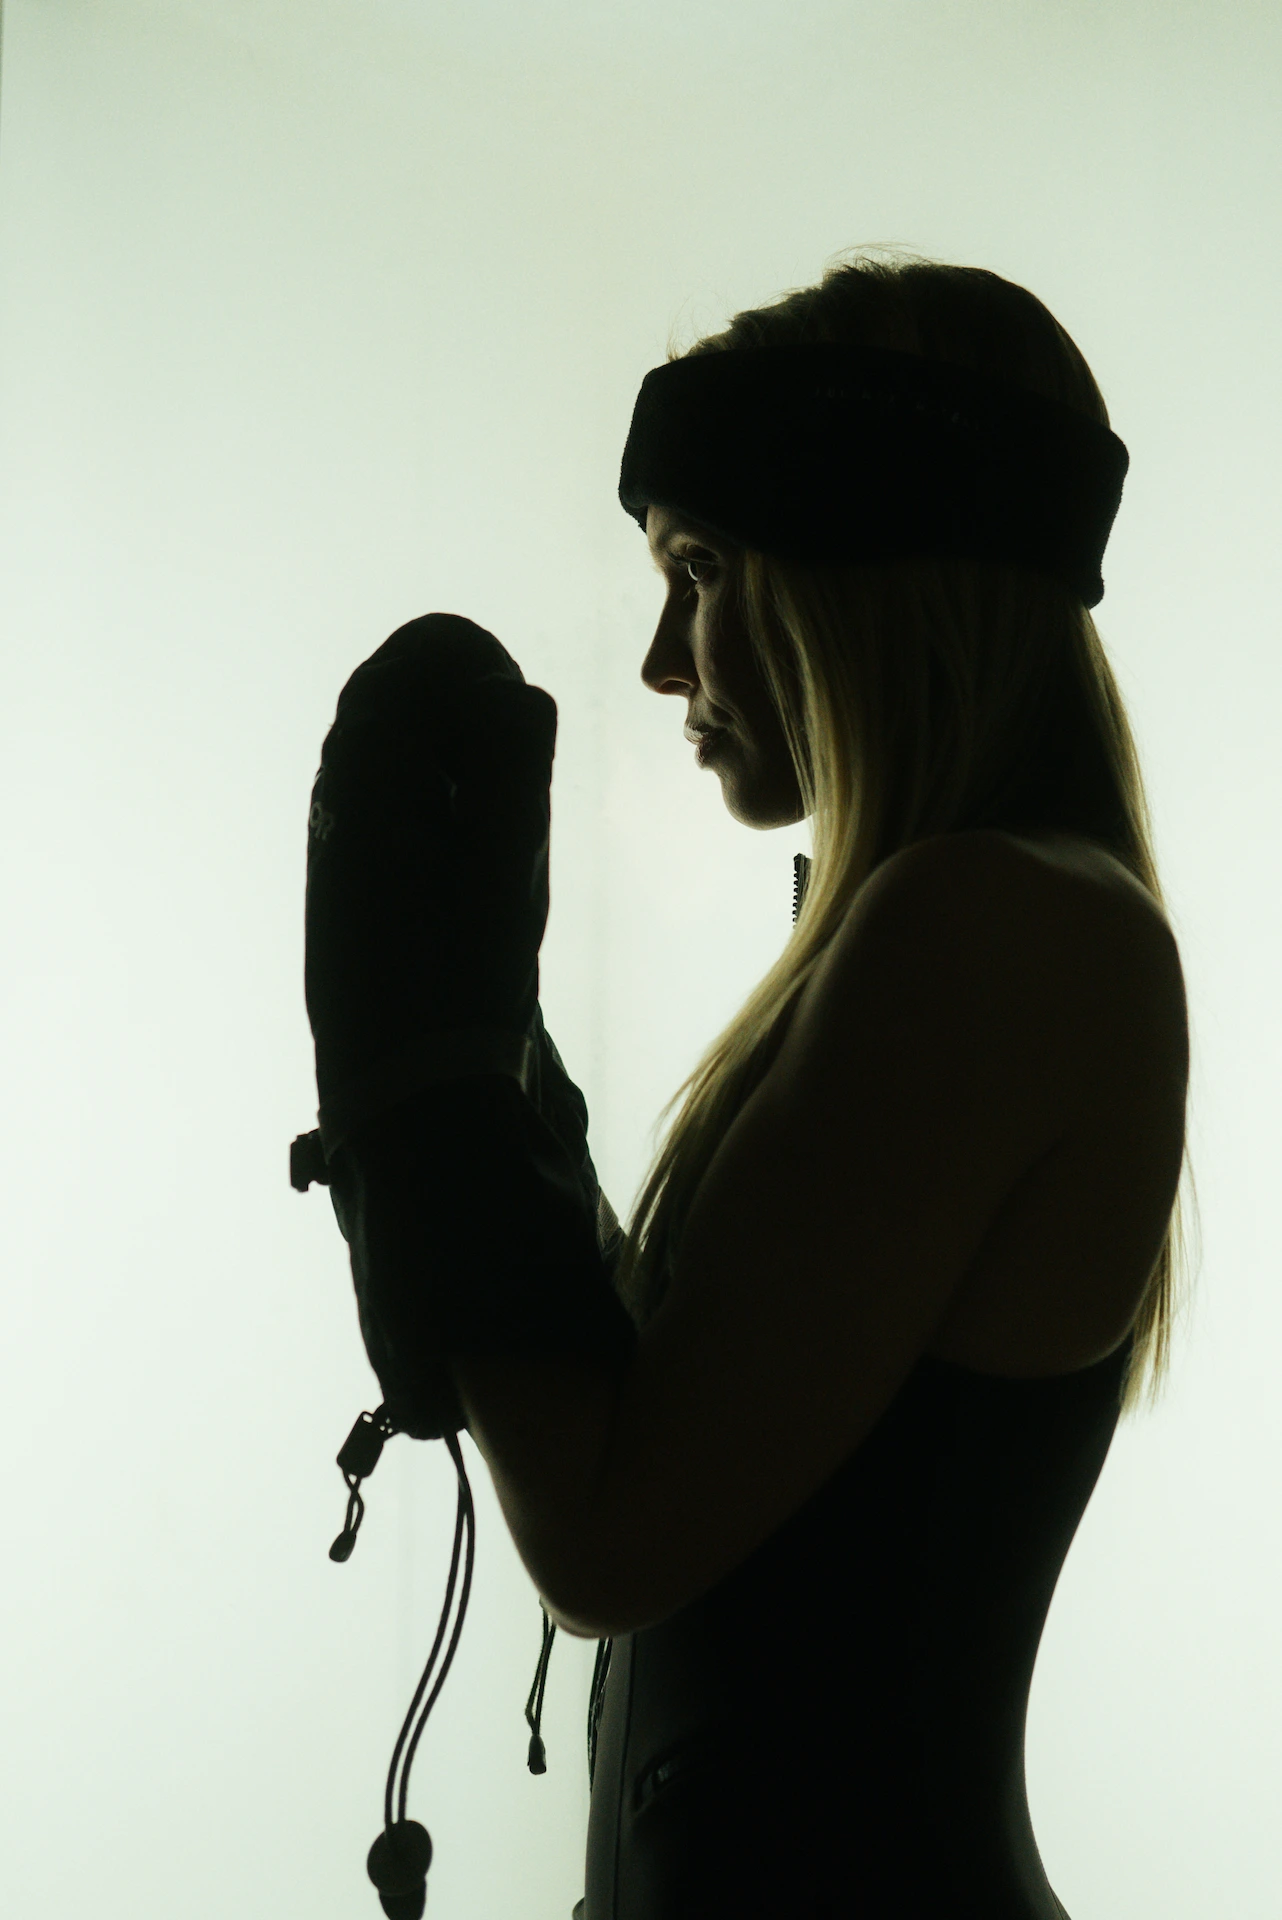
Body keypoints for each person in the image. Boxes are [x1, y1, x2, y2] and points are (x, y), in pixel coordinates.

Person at [450, 250, 1193, 1919]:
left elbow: (612, 1541)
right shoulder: (989, 915)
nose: (662, 655)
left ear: (864, 575)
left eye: (701, 566)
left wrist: (427, 1094)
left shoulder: (989, 921)